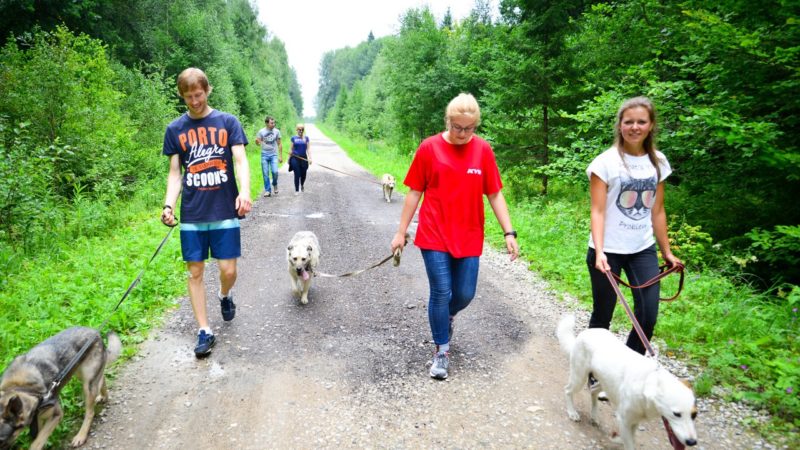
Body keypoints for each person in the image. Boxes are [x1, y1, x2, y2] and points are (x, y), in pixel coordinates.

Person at [390, 93, 520, 380]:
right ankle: (441, 351)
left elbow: (495, 193)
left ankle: (447, 317)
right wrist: (401, 232)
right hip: (434, 232)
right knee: (441, 291)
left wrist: (508, 232)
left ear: (476, 125)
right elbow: (414, 191)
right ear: (447, 121)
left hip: (469, 234)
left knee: (464, 293)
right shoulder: (429, 148)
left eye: (469, 128)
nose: (462, 133)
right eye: (457, 127)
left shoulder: (483, 150)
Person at [160, 67, 252, 358]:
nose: (194, 101)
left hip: (224, 207)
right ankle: (204, 330)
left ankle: (224, 295)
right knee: (195, 271)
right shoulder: (175, 129)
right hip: (193, 212)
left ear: (207, 90)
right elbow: (175, 174)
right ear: (182, 95)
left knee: (228, 270)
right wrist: (168, 205)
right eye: (188, 96)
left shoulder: (227, 122)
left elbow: (240, 160)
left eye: (198, 94)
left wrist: (245, 191)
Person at [585, 96, 681, 356]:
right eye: (629, 122)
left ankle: (629, 368)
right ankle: (596, 372)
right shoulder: (604, 163)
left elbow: (657, 210)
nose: (634, 127)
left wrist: (667, 252)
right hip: (608, 250)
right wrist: (601, 252)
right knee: (603, 315)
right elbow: (598, 210)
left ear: (651, 125)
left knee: (648, 315)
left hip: (642, 248)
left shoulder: (658, 161)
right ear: (620, 125)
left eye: (641, 121)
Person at [255, 116, 283, 197]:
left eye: (274, 123)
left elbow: (279, 144)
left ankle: (274, 183)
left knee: (275, 172)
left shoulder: (277, 131)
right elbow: (258, 143)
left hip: (274, 154)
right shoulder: (261, 131)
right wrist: (256, 142)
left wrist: (280, 156)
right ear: (267, 123)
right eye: (271, 123)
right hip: (264, 155)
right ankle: (267, 190)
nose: (273, 124)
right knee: (265, 173)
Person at [288, 124, 311, 195]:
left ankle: (302, 184)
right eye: (299, 129)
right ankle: (297, 190)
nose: (301, 131)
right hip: (295, 157)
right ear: (297, 130)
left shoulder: (306, 138)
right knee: (297, 174)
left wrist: (310, 158)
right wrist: (289, 158)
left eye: (302, 129)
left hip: (303, 158)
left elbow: (308, 149)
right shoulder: (293, 138)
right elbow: (291, 149)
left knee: (303, 174)